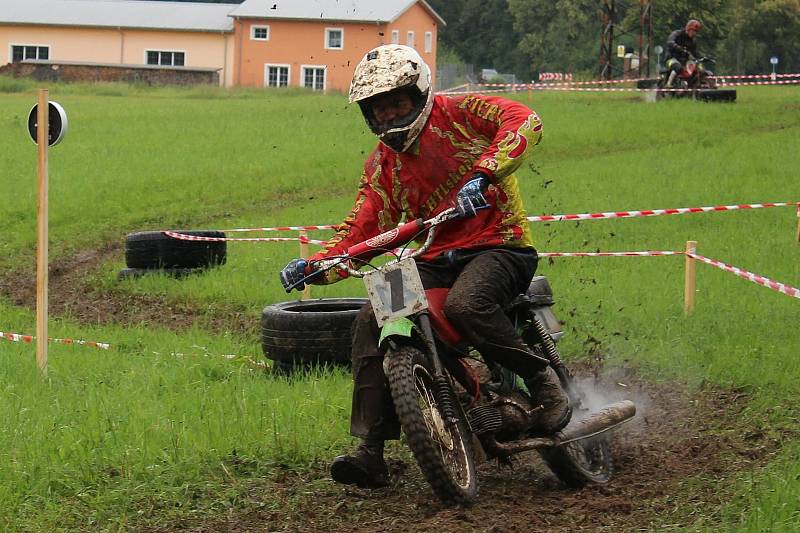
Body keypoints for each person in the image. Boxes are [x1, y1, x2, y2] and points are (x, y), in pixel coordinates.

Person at [279, 44, 571, 489]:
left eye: (397, 103)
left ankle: (541, 378)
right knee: (369, 317)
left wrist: (485, 173)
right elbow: (362, 227)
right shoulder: (382, 165)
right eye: (378, 110)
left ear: (419, 93)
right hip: (434, 254)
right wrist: (316, 265)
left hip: (500, 243)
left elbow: (524, 120)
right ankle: (371, 451)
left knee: (466, 305)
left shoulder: (462, 111)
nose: (390, 117)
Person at [664, 19, 703, 87]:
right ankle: (668, 85)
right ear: (688, 29)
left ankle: (690, 86)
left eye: (696, 31)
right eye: (693, 30)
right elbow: (670, 42)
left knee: (696, 68)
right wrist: (678, 48)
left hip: (683, 61)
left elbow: (695, 52)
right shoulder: (677, 34)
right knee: (677, 67)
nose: (694, 33)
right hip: (671, 58)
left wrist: (702, 57)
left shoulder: (693, 41)